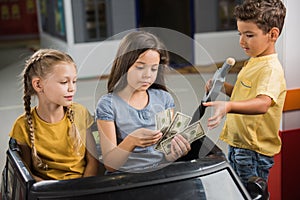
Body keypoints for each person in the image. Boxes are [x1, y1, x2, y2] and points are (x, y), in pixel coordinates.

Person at [203, 0, 286, 188]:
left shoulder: (270, 69)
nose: (242, 41)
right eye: (240, 34)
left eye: (249, 35)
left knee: (249, 193)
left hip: (252, 151)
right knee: (237, 189)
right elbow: (244, 95)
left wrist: (229, 106)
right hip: (239, 144)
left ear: (273, 34)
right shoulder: (254, 61)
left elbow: (263, 103)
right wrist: (223, 87)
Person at [95, 31, 191, 173]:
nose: (147, 75)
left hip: (159, 174)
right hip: (125, 178)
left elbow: (165, 154)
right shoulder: (108, 105)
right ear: (125, 64)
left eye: (154, 69)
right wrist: (131, 140)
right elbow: (110, 164)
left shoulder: (164, 99)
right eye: (140, 67)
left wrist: (175, 153)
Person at [9, 49, 99, 181]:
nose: (72, 88)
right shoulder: (22, 126)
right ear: (38, 85)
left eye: (74, 81)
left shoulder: (80, 113)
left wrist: (82, 190)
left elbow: (93, 162)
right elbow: (26, 175)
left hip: (83, 187)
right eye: (64, 82)